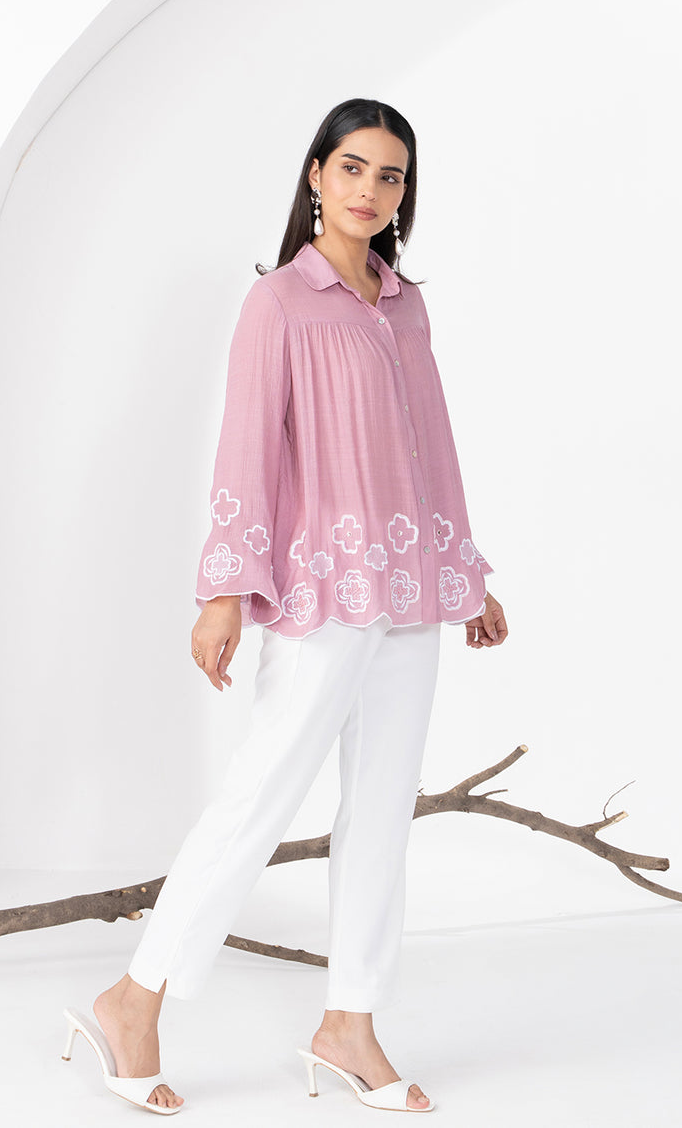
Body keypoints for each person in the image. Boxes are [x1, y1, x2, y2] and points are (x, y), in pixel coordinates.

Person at [62, 98, 508, 1115]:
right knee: (258, 796)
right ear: (316, 174)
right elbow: (247, 452)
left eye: (390, 175)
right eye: (352, 167)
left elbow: (431, 449)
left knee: (382, 810)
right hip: (322, 596)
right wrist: (225, 591)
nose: (370, 190)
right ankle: (135, 997)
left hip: (410, 592)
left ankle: (350, 1022)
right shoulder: (279, 303)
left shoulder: (405, 305)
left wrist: (466, 574)